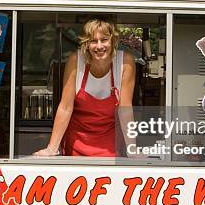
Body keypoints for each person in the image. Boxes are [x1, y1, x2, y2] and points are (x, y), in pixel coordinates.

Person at [34, 18, 135, 157]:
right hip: (76, 143)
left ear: (113, 41)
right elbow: (65, 107)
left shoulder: (125, 62)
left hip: (109, 145)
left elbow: (125, 110)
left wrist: (132, 150)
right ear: (86, 44)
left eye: (104, 39)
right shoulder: (76, 60)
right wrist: (51, 149)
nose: (99, 46)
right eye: (93, 41)